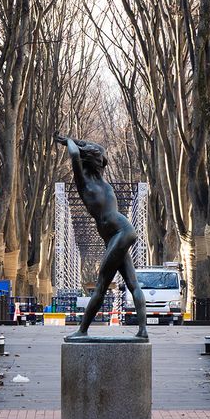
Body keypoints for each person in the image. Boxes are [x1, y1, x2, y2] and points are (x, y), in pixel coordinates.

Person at [54, 134, 148, 339]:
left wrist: (68, 141)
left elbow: (73, 154)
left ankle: (82, 331)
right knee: (133, 284)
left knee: (101, 286)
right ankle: (143, 331)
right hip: (123, 232)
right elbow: (95, 149)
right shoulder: (101, 179)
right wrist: (74, 141)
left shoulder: (84, 184)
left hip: (120, 233)